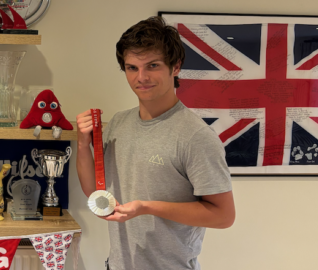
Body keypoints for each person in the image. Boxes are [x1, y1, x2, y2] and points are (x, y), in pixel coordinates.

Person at [76, 16, 235, 270]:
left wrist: (146, 207)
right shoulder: (119, 123)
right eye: (132, 68)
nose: (141, 77)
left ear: (175, 67)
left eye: (152, 65)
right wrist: (83, 145)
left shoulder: (195, 136)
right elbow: (94, 193)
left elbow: (223, 216)